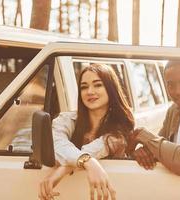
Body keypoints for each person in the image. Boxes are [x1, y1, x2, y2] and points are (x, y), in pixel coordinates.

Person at [39, 63, 134, 200]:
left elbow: (101, 146)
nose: (90, 91)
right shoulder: (66, 120)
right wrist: (90, 162)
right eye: (84, 87)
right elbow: (57, 143)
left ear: (110, 88)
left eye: (97, 85)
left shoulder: (120, 129)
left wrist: (63, 169)